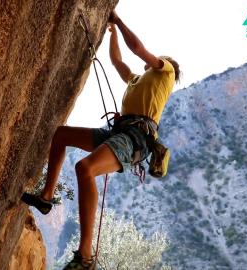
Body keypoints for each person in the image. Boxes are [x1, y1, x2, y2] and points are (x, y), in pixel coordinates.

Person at [21, 10, 180, 270]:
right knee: (61, 135)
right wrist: (113, 33)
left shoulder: (166, 73)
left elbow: (139, 49)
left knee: (85, 169)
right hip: (120, 133)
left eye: (158, 59)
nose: (154, 59)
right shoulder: (138, 80)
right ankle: (47, 196)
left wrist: (119, 21)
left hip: (134, 140)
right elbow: (118, 62)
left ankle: (85, 254)